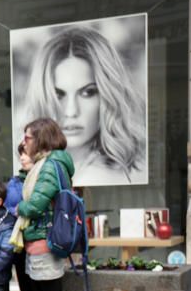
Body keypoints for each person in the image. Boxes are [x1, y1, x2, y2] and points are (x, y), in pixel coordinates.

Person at [24, 26, 146, 186]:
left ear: (108, 96)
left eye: (87, 93)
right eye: (59, 95)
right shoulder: (40, 168)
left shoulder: (102, 177)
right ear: (42, 97)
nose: (71, 111)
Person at [14, 118, 75, 291]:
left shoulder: (51, 165)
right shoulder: (44, 164)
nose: (24, 142)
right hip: (36, 240)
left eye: (27, 137)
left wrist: (20, 208)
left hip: (46, 241)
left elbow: (36, 205)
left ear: (40, 139)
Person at [5, 142, 40, 291]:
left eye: (26, 154)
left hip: (41, 244)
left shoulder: (45, 178)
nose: (22, 158)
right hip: (21, 244)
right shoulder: (15, 182)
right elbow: (12, 208)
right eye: (20, 155)